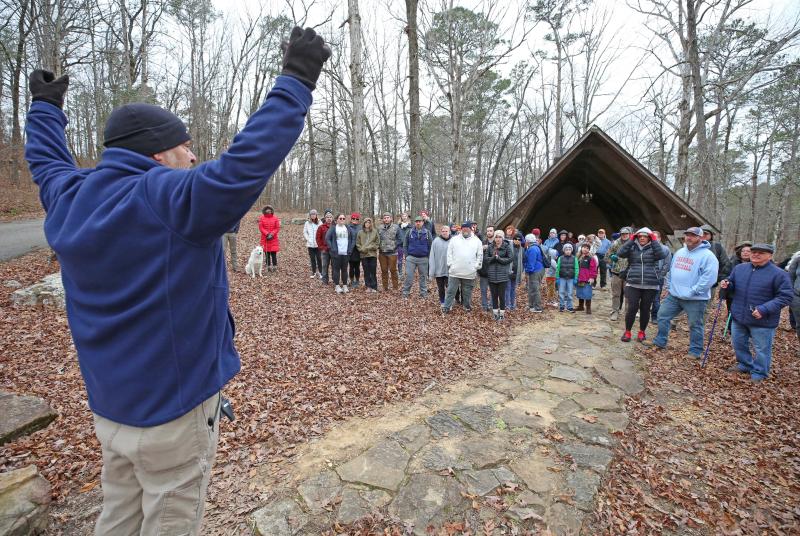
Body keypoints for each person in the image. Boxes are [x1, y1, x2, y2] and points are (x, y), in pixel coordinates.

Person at [23, 26, 330, 535]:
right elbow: (242, 167)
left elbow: (47, 162)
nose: (192, 156)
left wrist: (44, 110)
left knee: (119, 515)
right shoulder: (168, 198)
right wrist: (296, 80)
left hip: (110, 411)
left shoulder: (69, 198)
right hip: (170, 415)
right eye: (184, 147)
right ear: (157, 153)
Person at [721, 243, 793, 383]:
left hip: (763, 320)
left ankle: (760, 372)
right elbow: (732, 283)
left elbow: (785, 297)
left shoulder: (779, 274)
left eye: (761, 252)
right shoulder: (740, 268)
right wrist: (728, 284)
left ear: (770, 255)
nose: (756, 254)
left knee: (761, 349)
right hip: (739, 316)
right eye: (754, 251)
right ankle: (745, 364)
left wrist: (764, 309)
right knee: (738, 343)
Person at [651, 227, 718, 358]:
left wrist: (693, 291)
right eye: (687, 235)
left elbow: (709, 278)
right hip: (674, 296)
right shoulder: (680, 252)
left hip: (695, 299)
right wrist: (669, 286)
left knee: (695, 325)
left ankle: (695, 351)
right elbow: (672, 271)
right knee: (662, 315)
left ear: (701, 238)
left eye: (693, 235)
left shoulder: (708, 256)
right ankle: (660, 341)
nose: (689, 237)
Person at [617, 227, 667, 342]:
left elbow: (661, 255)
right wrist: (631, 240)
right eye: (640, 237)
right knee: (632, 308)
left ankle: (642, 332)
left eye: (645, 236)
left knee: (645, 309)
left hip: (650, 284)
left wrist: (654, 241)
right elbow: (620, 253)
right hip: (633, 283)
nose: (642, 238)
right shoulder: (632, 247)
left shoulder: (655, 247)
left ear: (649, 237)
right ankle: (628, 331)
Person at [444, 221, 482, 313]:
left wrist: (476, 266)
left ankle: (466, 306)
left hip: (469, 272)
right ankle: (447, 307)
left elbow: (480, 255)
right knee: (450, 291)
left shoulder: (477, 241)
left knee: (467, 292)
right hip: (455, 271)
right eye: (463, 228)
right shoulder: (454, 239)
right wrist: (450, 264)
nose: (465, 229)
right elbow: (449, 252)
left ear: (470, 229)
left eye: (467, 228)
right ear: (461, 229)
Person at [701, 224, 731, 318]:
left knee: (705, 307)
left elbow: (725, 264)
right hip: (691, 282)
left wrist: (717, 278)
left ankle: (699, 327)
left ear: (711, 235)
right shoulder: (692, 246)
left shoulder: (717, 247)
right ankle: (673, 322)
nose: (703, 235)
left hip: (710, 284)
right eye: (701, 233)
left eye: (706, 233)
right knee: (684, 303)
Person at [485, 230, 513, 320]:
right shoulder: (490, 247)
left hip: (503, 275)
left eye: (500, 237)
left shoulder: (507, 247)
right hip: (492, 275)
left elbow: (510, 258)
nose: (498, 239)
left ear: (502, 238)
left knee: (501, 296)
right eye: (496, 237)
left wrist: (499, 259)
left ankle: (502, 314)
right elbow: (486, 259)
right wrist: (493, 258)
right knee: (494, 295)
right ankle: (495, 313)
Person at [402, 216, 433, 299]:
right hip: (411, 258)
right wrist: (407, 256)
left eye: (420, 221)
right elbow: (405, 245)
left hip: (423, 258)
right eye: (416, 221)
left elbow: (431, 245)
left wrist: (428, 256)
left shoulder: (427, 233)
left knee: (423, 277)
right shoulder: (409, 232)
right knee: (409, 276)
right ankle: (405, 292)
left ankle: (423, 293)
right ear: (414, 223)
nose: (418, 223)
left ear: (423, 222)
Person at [325, 213, 356, 293]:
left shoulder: (347, 228)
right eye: (340, 218)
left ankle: (345, 285)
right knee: (336, 270)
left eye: (343, 218)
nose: (342, 220)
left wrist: (350, 249)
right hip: (336, 253)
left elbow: (353, 239)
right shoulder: (333, 228)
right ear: (336, 220)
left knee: (345, 270)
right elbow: (327, 239)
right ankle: (337, 286)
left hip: (346, 253)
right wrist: (332, 249)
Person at [607, 227, 632, 321]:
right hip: (616, 272)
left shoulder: (633, 244)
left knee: (628, 295)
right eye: (622, 234)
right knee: (615, 294)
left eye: (626, 234)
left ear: (629, 234)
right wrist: (612, 257)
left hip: (629, 273)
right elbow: (607, 255)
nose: (624, 235)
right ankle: (615, 311)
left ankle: (628, 313)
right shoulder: (615, 243)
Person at [649, 230, 672, 323]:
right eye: (652, 238)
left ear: (659, 238)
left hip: (658, 277)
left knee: (656, 298)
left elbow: (667, 264)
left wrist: (660, 275)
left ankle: (654, 317)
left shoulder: (665, 249)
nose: (654, 239)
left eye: (655, 237)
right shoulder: (647, 248)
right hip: (647, 276)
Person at [378, 212, 403, 290]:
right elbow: (376, 239)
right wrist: (379, 246)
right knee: (384, 270)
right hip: (382, 253)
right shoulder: (379, 228)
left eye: (388, 217)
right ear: (383, 219)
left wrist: (394, 246)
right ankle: (385, 287)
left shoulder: (396, 227)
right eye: (384, 218)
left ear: (391, 218)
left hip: (393, 253)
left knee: (393, 270)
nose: (386, 219)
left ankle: (395, 287)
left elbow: (400, 239)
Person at [429, 225, 452, 305]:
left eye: (446, 231)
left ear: (449, 231)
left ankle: (449, 302)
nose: (445, 233)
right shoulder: (436, 241)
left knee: (450, 288)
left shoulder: (453, 241)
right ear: (440, 232)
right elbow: (432, 256)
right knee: (441, 288)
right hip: (439, 270)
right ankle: (442, 302)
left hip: (450, 270)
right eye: (443, 231)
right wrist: (432, 271)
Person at [356, 217, 379, 292]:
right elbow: (357, 243)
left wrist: (370, 247)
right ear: (364, 223)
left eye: (369, 222)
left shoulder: (375, 232)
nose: (367, 224)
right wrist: (361, 249)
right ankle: (368, 286)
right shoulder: (360, 232)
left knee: (373, 271)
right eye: (366, 222)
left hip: (372, 254)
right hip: (364, 255)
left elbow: (377, 243)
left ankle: (374, 287)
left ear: (371, 223)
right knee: (366, 271)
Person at [523, 233, 545, 313]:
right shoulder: (535, 247)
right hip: (538, 269)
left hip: (536, 270)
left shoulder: (532, 249)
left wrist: (528, 271)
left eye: (525, 241)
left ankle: (538, 307)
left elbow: (531, 262)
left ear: (528, 241)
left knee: (535, 289)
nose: (525, 242)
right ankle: (531, 305)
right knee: (532, 288)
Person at [504, 225, 524, 311]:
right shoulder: (508, 246)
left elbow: (523, 261)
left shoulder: (522, 249)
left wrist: (521, 271)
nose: (517, 241)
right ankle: (507, 305)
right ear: (513, 239)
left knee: (513, 290)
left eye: (519, 239)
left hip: (516, 272)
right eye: (516, 239)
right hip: (508, 271)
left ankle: (513, 305)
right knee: (507, 289)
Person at [576, 243, 598, 314]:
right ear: (581, 248)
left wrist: (592, 277)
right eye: (583, 247)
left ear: (589, 249)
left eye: (587, 248)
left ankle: (588, 308)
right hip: (579, 278)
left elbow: (593, 268)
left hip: (587, 279)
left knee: (587, 293)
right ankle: (581, 306)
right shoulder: (578, 257)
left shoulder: (591, 258)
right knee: (580, 292)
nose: (585, 249)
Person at [258, 205, 281, 271]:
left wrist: (272, 234)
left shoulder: (275, 218)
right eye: (267, 210)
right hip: (265, 238)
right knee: (267, 253)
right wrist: (267, 234)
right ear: (265, 211)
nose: (268, 211)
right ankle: (268, 266)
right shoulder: (261, 218)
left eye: (269, 210)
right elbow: (261, 227)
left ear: (271, 211)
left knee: (273, 253)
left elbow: (277, 228)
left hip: (273, 238)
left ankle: (275, 266)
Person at [478, 225, 495, 311]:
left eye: (491, 231)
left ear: (493, 232)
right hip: (483, 270)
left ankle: (492, 305)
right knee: (483, 290)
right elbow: (477, 255)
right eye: (488, 231)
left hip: (494, 271)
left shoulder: (497, 243)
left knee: (493, 290)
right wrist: (482, 249)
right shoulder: (482, 242)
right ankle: (484, 306)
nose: (489, 232)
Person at [787, 250, 800, 351]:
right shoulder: (797, 259)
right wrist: (792, 295)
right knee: (799, 325)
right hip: (797, 298)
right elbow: (790, 278)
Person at [316, 211, 333, 284]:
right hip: (325, 250)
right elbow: (318, 238)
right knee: (324, 266)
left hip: (333, 250)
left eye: (330, 217)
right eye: (327, 217)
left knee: (334, 266)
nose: (329, 219)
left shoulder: (335, 227)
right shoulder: (321, 227)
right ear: (325, 218)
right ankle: (324, 280)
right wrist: (321, 248)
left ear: (332, 218)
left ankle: (334, 280)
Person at [303, 209, 321, 278]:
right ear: (310, 215)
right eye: (312, 214)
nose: (313, 215)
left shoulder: (320, 222)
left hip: (318, 244)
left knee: (319, 259)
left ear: (316, 215)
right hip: (310, 245)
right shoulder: (307, 223)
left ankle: (320, 272)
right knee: (312, 259)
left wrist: (319, 240)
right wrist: (308, 239)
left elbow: (322, 232)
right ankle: (313, 272)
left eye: (314, 214)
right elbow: (304, 232)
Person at [347, 212, 362, 288]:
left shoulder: (361, 227)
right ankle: (352, 280)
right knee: (351, 266)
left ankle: (357, 280)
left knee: (357, 266)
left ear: (358, 220)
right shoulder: (347, 227)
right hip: (350, 249)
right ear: (351, 219)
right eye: (353, 218)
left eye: (357, 219)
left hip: (358, 250)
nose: (355, 220)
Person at [397, 212, 411, 277]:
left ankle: (408, 273)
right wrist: (397, 242)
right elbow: (395, 235)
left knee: (408, 259)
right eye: (403, 216)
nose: (404, 217)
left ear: (407, 217)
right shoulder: (398, 226)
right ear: (401, 217)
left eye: (405, 216)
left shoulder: (410, 226)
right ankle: (400, 273)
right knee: (400, 260)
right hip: (400, 245)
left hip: (408, 246)